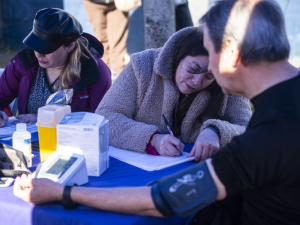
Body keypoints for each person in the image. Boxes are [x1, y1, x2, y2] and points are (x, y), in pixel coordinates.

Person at [14, 0, 300, 224]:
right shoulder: (281, 112)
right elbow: (108, 116)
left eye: (210, 60)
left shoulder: (267, 137)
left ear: (231, 55)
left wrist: (60, 192)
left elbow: (162, 200)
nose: (204, 77)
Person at [96, 27, 251, 160]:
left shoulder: (229, 79)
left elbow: (250, 129)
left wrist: (217, 131)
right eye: (193, 68)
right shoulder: (142, 66)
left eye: (209, 76)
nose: (197, 81)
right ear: (178, 55)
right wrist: (152, 139)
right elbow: (105, 116)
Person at [0, 8, 111, 128]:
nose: (38, 54)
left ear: (70, 46)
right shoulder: (24, 62)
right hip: (25, 142)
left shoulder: (95, 71)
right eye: (35, 45)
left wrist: (47, 120)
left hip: (72, 144)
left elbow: (101, 121)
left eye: (46, 48)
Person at [84, 0, 129, 80]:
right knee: (100, 41)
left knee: (117, 41)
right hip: (94, 3)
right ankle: (105, 75)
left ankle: (119, 77)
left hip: (118, 4)